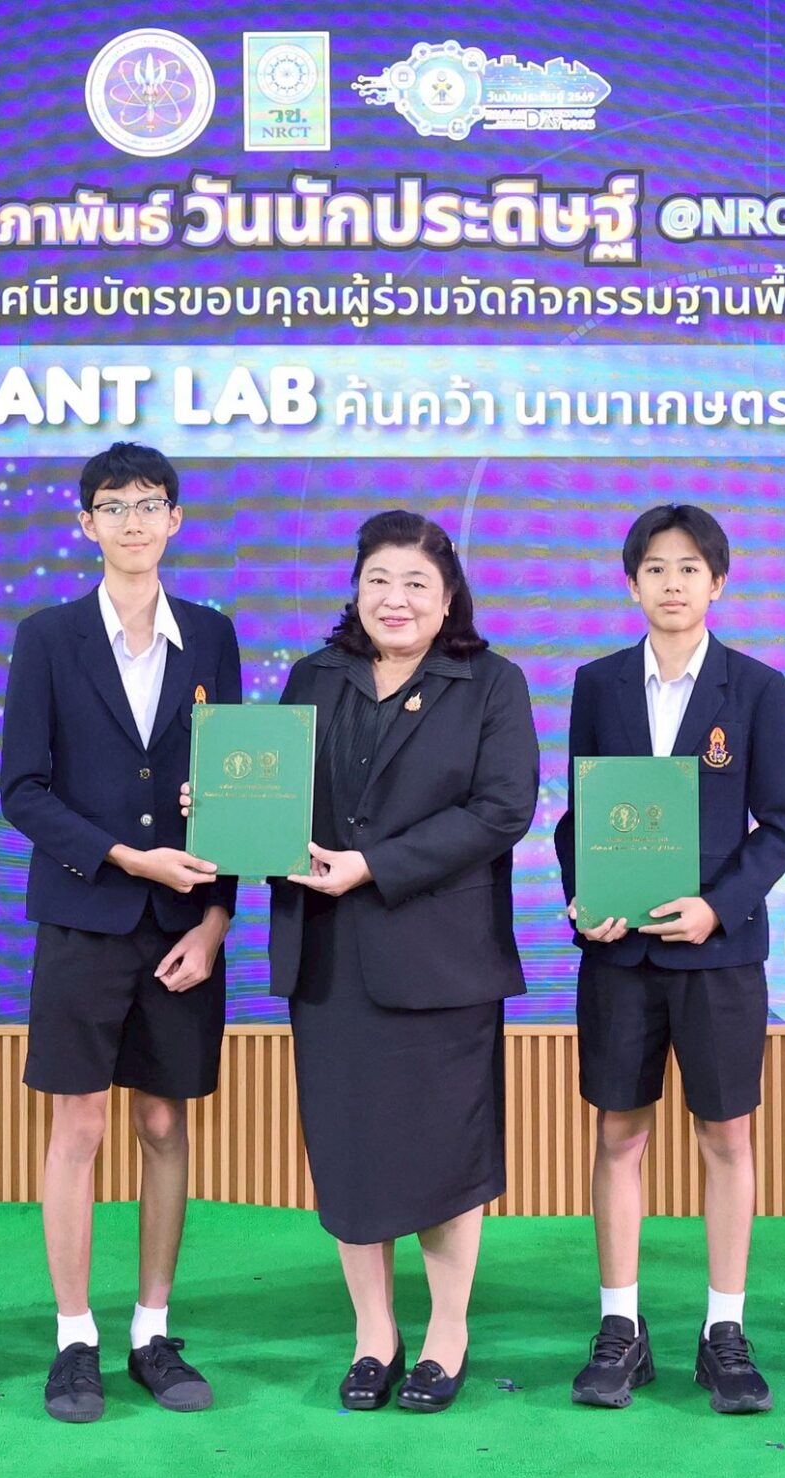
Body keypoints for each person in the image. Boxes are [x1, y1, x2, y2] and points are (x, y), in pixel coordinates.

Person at [267, 510, 538, 1414]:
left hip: (441, 958)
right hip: (331, 956)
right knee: (349, 1152)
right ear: (355, 590)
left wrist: (375, 865)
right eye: (378, 579)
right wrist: (223, 809)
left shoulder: (492, 684)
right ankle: (373, 1333)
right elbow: (272, 798)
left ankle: (446, 1331)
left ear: (449, 596)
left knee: (445, 1152)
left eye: (417, 583)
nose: (396, 598)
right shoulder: (313, 678)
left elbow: (503, 809)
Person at [0, 442, 243, 1423]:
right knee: (80, 1125)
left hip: (185, 925)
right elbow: (23, 790)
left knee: (163, 1123)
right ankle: (74, 1337)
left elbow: (239, 793)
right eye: (114, 505)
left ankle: (152, 1329)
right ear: (85, 523)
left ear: (176, 519)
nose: (133, 521)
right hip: (83, 917)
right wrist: (128, 859)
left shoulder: (213, 636)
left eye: (150, 504)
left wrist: (217, 919)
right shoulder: (48, 637)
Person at [551, 504, 785, 1416]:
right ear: (631, 583)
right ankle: (620, 1325)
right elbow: (579, 814)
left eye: (690, 567)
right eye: (655, 567)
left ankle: (723, 1328)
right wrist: (585, 896)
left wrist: (716, 906)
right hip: (620, 955)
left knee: (726, 1137)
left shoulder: (758, 687)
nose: (672, 582)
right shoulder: (598, 683)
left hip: (719, 954)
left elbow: (781, 825)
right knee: (619, 1133)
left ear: (718, 582)